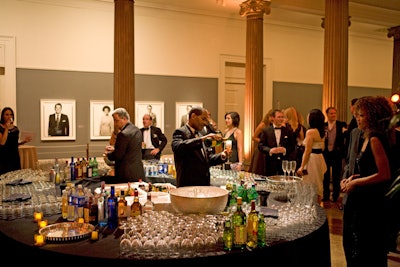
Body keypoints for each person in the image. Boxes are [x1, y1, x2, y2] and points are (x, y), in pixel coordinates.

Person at [340, 96, 393, 267]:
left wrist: (356, 183)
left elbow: (384, 174)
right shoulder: (366, 136)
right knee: (353, 248)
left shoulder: (376, 138)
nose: (357, 118)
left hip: (371, 205)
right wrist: (353, 177)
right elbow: (369, 169)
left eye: (361, 116)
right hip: (360, 202)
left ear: (372, 117)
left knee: (366, 252)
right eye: (357, 115)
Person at [172, 106, 229, 187]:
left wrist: (222, 156)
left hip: (203, 185)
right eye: (203, 119)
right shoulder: (180, 132)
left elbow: (206, 160)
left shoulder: (199, 134)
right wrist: (202, 139)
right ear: (193, 116)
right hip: (188, 186)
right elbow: (178, 147)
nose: (206, 123)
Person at [104, 107, 145, 183]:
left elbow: (118, 155)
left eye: (116, 120)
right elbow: (130, 149)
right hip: (137, 171)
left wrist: (108, 154)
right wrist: (115, 149)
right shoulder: (137, 130)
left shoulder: (123, 134)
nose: (115, 124)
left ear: (124, 119)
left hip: (126, 174)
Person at [296, 109, 327, 202]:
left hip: (312, 159)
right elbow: (322, 147)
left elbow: (308, 150)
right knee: (318, 183)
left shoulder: (311, 132)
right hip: (319, 158)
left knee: (309, 183)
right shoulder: (321, 131)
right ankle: (317, 206)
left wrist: (302, 166)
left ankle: (310, 208)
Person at [258, 109, 296, 176]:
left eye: (282, 117)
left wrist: (285, 150)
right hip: (270, 162)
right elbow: (261, 146)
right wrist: (270, 150)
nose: (281, 119)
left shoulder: (288, 131)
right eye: (279, 117)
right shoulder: (266, 130)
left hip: (284, 162)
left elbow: (292, 146)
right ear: (273, 118)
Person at [322, 107, 347, 203]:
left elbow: (345, 138)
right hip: (326, 154)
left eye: (334, 113)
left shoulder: (341, 125)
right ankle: (326, 195)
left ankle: (335, 196)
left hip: (337, 153)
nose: (333, 115)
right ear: (327, 115)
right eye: (331, 113)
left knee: (336, 176)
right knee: (326, 175)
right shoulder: (323, 125)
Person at [0, 107, 32, 175]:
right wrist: (6, 129)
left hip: (14, 156)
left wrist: (24, 141)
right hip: (4, 157)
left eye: (11, 114)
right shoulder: (0, 127)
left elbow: (14, 144)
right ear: (2, 116)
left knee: (16, 177)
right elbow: (2, 143)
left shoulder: (15, 128)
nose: (9, 116)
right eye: (7, 114)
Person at [249, 109, 273, 175]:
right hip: (261, 150)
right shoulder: (263, 125)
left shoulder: (273, 126)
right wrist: (263, 141)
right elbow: (253, 137)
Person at [284, 106, 307, 171]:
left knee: (287, 170)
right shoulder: (301, 127)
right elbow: (302, 139)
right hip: (298, 152)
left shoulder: (285, 126)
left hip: (288, 152)